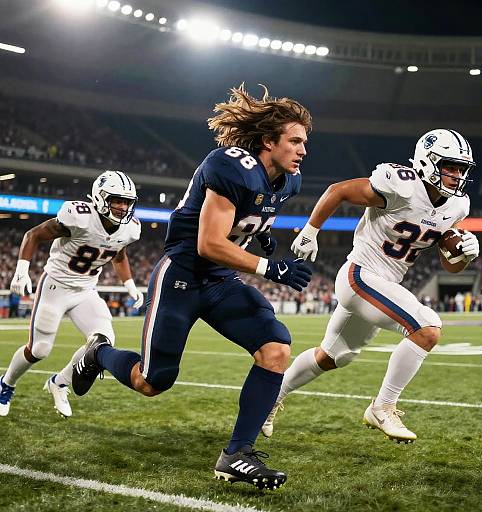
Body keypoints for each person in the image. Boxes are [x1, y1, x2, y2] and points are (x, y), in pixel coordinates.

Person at [71, 85, 312, 490]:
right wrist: (271, 266)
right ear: (268, 141)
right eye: (295, 140)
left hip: (220, 282)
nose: (303, 150)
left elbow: (245, 219)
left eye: (305, 141)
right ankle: (100, 352)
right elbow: (209, 243)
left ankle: (237, 454)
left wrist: (263, 237)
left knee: (276, 348)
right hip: (182, 275)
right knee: (152, 382)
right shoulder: (230, 165)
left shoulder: (287, 181)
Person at [262, 128, 480, 443]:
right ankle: (383, 407)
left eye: (462, 169)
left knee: (334, 356)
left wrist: (465, 257)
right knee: (427, 328)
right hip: (361, 274)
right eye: (451, 166)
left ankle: (269, 398)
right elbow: (338, 190)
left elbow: (450, 265)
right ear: (428, 162)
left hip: (383, 284)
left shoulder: (456, 206)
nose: (457, 175)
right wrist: (311, 230)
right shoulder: (402, 185)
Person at [0, 171, 144, 418]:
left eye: (126, 202)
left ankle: (59, 383)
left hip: (86, 289)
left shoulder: (130, 229)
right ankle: (6, 384)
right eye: (116, 200)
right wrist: (21, 271)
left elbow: (119, 254)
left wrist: (130, 284)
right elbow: (33, 235)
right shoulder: (79, 216)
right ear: (100, 198)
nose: (122, 207)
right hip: (55, 285)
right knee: (39, 350)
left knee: (101, 341)